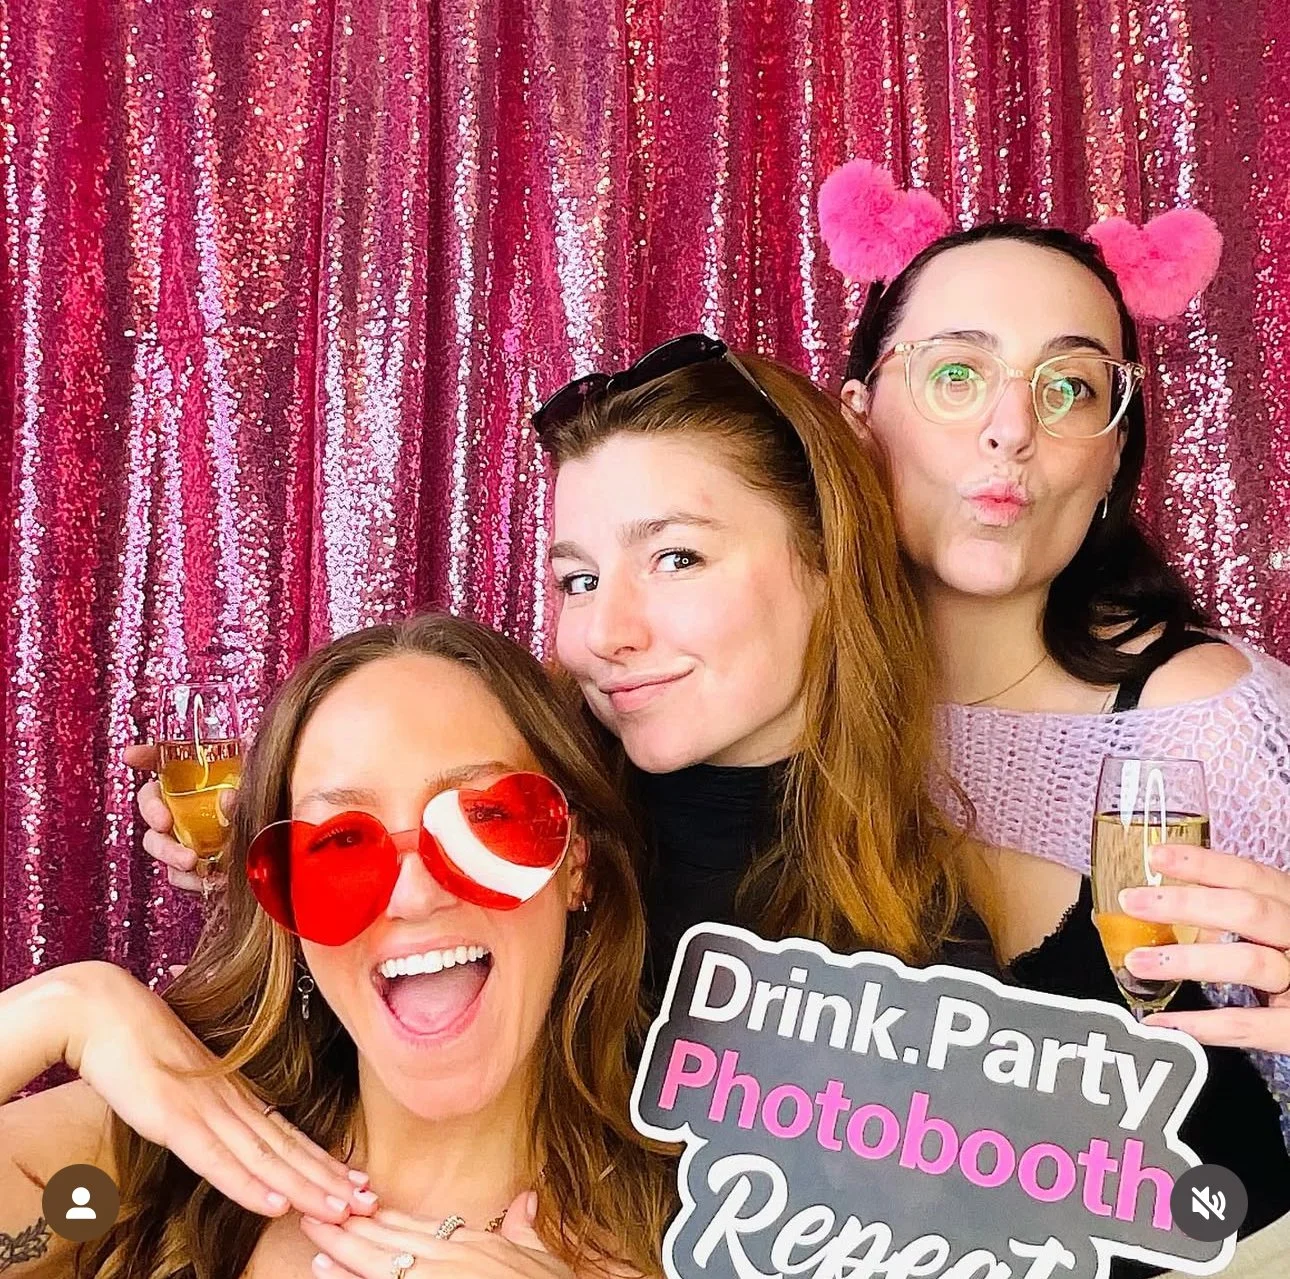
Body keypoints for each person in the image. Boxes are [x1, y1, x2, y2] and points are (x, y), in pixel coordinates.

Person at [3, 613, 670, 1278]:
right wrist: (67, 1007)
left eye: (483, 818)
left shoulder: (701, 1224)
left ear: (575, 863)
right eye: (340, 844)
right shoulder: (139, 1169)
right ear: (288, 908)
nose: (413, 894)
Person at [832, 214, 1290, 1074]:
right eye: (958, 373)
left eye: (1070, 387)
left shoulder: (1207, 728)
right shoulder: (785, 707)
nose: (1013, 429)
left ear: (1115, 454)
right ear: (858, 419)